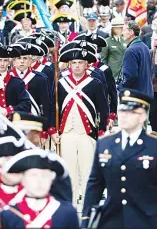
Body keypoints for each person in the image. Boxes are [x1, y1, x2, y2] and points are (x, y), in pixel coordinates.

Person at [81, 88, 157, 228]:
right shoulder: (105, 143)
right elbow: (95, 185)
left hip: (147, 221)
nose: (124, 116)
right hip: (113, 221)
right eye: (122, 111)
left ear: (142, 116)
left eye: (130, 112)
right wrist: (86, 219)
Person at [52, 45, 109, 205]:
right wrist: (52, 130)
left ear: (87, 64)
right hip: (66, 132)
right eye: (74, 62)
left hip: (87, 133)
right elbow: (52, 108)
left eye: (80, 62)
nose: (77, 66)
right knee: (68, 169)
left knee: (87, 169)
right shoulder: (61, 84)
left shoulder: (95, 83)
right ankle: (69, 202)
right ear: (69, 64)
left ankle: (88, 203)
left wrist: (103, 130)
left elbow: (103, 109)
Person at [0, 149, 79, 228]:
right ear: (22, 179)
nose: (39, 181)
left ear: (52, 180)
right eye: (33, 175)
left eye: (45, 175)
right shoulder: (8, 214)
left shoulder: (67, 212)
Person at [0, 43, 31, 116]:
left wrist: (7, 110)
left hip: (10, 123)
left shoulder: (17, 82)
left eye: (5, 60)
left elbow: (26, 105)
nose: (2, 64)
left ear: (9, 63)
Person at [119, 21, 153, 97]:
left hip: (135, 96)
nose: (122, 33)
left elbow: (130, 75)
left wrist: (120, 86)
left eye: (124, 30)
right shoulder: (145, 47)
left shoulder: (131, 50)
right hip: (146, 93)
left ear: (131, 32)